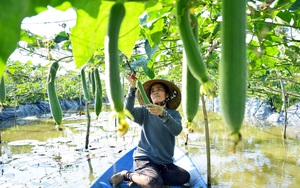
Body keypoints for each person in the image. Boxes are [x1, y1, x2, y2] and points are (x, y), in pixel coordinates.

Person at [110, 76, 190, 188]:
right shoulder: (144, 112)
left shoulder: (174, 114)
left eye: (159, 89)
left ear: (167, 95)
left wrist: (163, 113)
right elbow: (128, 111)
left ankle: (145, 179)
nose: (155, 92)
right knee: (153, 183)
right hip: (144, 159)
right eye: (152, 91)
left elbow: (176, 131)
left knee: (184, 177)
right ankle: (126, 175)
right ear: (150, 97)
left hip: (164, 163)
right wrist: (132, 88)